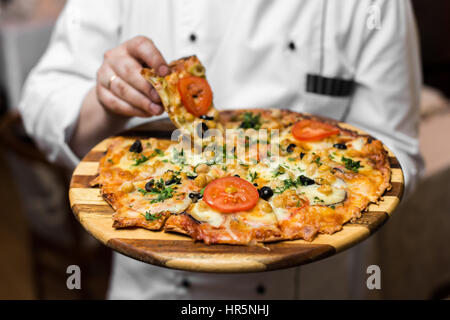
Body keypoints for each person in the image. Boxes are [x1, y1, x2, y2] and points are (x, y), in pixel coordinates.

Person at [19, 0, 423, 299]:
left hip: (317, 286)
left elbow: (395, 152)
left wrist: (323, 181)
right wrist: (106, 102)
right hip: (160, 288)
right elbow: (40, 105)